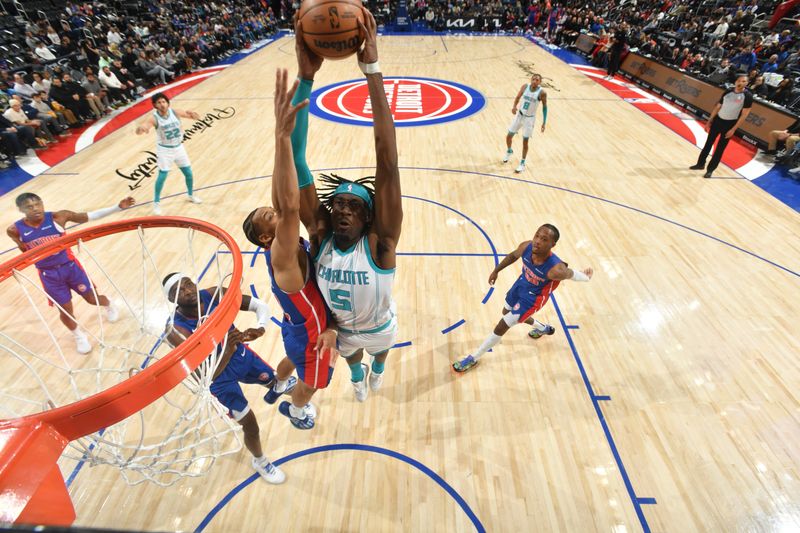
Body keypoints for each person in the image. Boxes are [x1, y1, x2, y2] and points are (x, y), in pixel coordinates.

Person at [287, 11, 402, 402]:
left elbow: (386, 160)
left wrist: (371, 69)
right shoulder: (319, 235)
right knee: (352, 356)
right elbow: (296, 157)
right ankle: (357, 375)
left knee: (380, 350)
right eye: (337, 203)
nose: (342, 210)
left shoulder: (379, 243)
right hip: (340, 330)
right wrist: (305, 78)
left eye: (353, 205)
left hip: (380, 325)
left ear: (369, 216)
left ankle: (381, 367)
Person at [241, 69, 338, 429]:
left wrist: (281, 143)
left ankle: (279, 382)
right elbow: (291, 205)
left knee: (291, 359)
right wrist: (282, 137)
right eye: (263, 217)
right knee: (311, 383)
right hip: (310, 335)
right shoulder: (280, 251)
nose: (268, 209)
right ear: (265, 237)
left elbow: (281, 203)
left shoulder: (279, 237)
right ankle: (295, 409)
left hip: (296, 327)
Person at [161, 273, 286, 484]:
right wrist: (227, 350)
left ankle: (295, 406)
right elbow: (204, 377)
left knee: (277, 382)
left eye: (189, 284)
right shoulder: (177, 331)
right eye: (179, 291)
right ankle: (260, 461)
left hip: (241, 357)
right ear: (173, 300)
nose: (188, 290)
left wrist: (260, 327)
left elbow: (259, 305)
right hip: (219, 380)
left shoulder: (213, 294)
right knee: (250, 425)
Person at [453, 224, 593, 373]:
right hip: (521, 285)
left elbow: (571, 274)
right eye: (537, 236)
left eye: (544, 239)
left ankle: (473, 358)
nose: (537, 241)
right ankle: (543, 328)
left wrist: (586, 277)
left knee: (502, 325)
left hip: (533, 299)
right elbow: (513, 256)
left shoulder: (556, 269)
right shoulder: (526, 246)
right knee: (505, 312)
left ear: (552, 244)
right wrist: (496, 271)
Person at [6, 193, 135, 354]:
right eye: (29, 207)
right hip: (48, 275)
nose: (35, 209)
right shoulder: (14, 230)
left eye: (37, 204)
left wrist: (117, 207)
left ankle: (108, 304)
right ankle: (79, 336)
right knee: (65, 310)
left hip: (71, 267)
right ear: (21, 210)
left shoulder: (58, 217)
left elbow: (88, 216)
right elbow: (25, 251)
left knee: (92, 299)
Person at [135, 93, 202, 215]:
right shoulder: (154, 118)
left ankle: (191, 195)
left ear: (168, 103)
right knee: (162, 177)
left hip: (179, 147)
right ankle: (156, 203)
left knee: (189, 173)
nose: (162, 104)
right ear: (155, 105)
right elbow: (142, 128)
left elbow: (194, 117)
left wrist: (194, 115)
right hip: (165, 150)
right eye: (159, 102)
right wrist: (141, 129)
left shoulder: (175, 112)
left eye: (164, 102)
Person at [690, 73, 752, 178]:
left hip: (730, 124)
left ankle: (710, 170)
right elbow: (718, 106)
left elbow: (744, 115)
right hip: (718, 121)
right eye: (739, 80)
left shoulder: (747, 96)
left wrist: (733, 129)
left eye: (744, 81)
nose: (741, 83)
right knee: (708, 143)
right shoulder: (728, 91)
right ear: (736, 81)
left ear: (747, 83)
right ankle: (700, 164)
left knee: (720, 148)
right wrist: (709, 121)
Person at [502, 73, 548, 173]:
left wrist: (544, 122)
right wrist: (514, 106)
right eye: (533, 79)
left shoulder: (542, 93)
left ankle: (522, 163)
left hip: (529, 119)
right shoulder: (525, 86)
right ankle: (509, 151)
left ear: (540, 82)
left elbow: (544, 107)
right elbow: (518, 97)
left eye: (537, 80)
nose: (535, 81)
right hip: (519, 115)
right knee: (509, 136)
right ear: (531, 80)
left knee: (525, 141)